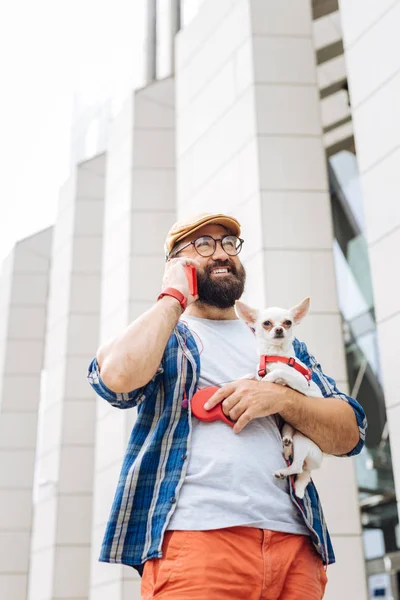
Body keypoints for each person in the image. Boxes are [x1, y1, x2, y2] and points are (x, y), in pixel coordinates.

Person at [87, 212, 367, 600]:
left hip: (297, 546)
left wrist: (281, 398)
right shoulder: (167, 337)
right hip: (197, 541)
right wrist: (172, 297)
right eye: (203, 245)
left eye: (229, 244)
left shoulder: (281, 342)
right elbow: (114, 381)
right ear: (176, 265)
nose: (220, 254)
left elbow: (350, 433)